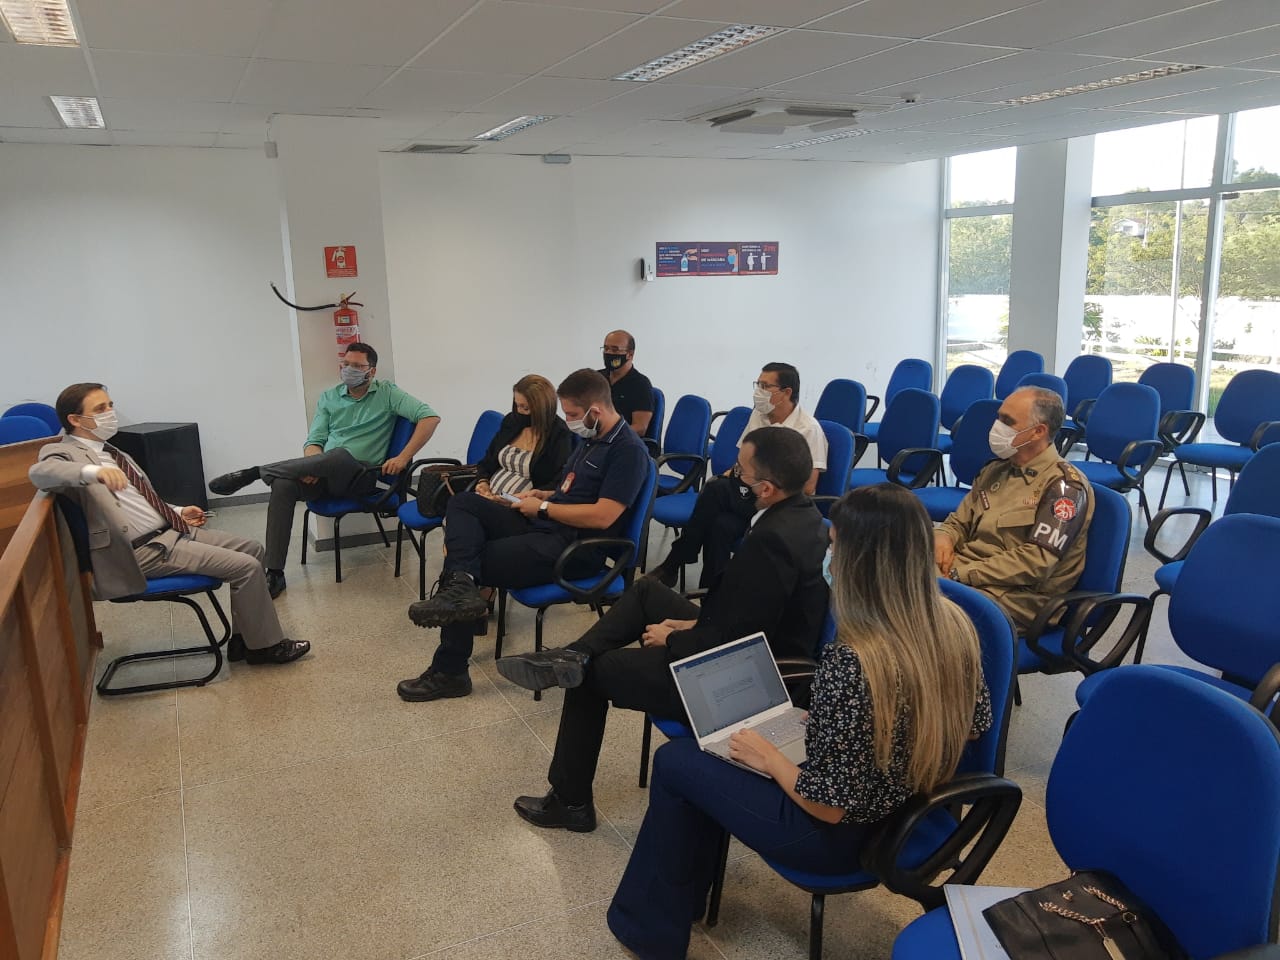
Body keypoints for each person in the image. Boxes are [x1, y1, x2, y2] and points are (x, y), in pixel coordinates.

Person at [606, 484, 992, 959]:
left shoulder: (854, 660)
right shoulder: (955, 624)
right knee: (710, 764)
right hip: (916, 808)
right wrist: (839, 728)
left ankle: (648, 932)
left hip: (838, 835)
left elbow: (827, 807)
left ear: (860, 561)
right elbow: (973, 728)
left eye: (834, 546)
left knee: (678, 762)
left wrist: (768, 756)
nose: (828, 556)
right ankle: (681, 900)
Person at [498, 427, 829, 832]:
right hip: (745, 641)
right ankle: (574, 653)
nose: (730, 476)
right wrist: (693, 622)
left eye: (740, 472)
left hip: (748, 676)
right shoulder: (806, 517)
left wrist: (674, 637)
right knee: (647, 592)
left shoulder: (772, 541)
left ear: (765, 488)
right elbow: (753, 615)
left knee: (592, 677)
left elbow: (736, 642)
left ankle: (569, 802)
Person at [397, 369, 649, 703]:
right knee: (464, 503)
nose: (569, 421)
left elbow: (603, 516)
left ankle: (450, 670)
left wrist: (544, 508)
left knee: (472, 559)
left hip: (575, 546)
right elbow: (567, 491)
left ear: (596, 411)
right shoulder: (592, 440)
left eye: (573, 415)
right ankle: (461, 589)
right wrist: (540, 496)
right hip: (548, 524)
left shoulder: (626, 450)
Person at [30, 383, 309, 665]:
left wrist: (177, 511)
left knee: (252, 550)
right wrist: (92, 472)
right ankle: (264, 648)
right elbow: (41, 473)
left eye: (110, 405)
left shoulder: (113, 452)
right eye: (100, 409)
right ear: (75, 420)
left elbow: (140, 499)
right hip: (142, 551)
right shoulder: (65, 452)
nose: (110, 413)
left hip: (170, 531)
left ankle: (245, 640)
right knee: (246, 568)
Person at [208, 342, 439, 597]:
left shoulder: (387, 393)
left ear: (371, 371)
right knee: (284, 485)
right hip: (325, 472)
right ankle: (275, 573)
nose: (349, 369)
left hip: (363, 477)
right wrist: (313, 465)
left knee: (340, 456)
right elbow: (313, 442)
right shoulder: (329, 397)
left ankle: (255, 472)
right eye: (346, 364)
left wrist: (404, 457)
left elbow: (430, 417)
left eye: (357, 366)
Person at [647, 362, 827, 588]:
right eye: (757, 384)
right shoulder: (759, 416)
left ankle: (676, 561)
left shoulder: (808, 429)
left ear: (786, 392)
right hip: (748, 493)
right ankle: (709, 592)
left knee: (714, 489)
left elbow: (809, 487)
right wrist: (737, 476)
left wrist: (761, 486)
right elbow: (742, 460)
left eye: (765, 386)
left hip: (776, 503)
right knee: (721, 526)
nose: (758, 392)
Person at [934, 386, 1094, 632]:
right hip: (968, 576)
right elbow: (959, 521)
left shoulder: (1064, 488)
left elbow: (1036, 562)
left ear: (1038, 431)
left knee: (919, 615)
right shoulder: (995, 471)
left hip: (1018, 597)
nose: (997, 427)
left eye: (1007, 421)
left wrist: (960, 575)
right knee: (887, 581)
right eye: (999, 417)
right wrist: (944, 536)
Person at [472, 374, 572, 501]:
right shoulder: (512, 422)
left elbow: (558, 482)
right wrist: (483, 482)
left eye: (526, 408)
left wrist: (517, 499)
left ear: (543, 408)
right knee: (460, 505)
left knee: (461, 505)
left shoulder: (559, 435)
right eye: (517, 405)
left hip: (523, 506)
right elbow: (487, 461)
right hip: (490, 497)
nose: (520, 411)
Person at [601, 330, 654, 439]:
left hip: (625, 443)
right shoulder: (598, 378)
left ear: (630, 354)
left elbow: (640, 428)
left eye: (615, 349)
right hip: (596, 439)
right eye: (606, 348)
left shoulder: (641, 384)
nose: (609, 353)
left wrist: (608, 434)